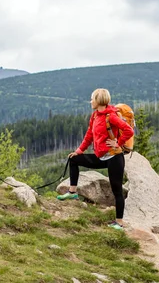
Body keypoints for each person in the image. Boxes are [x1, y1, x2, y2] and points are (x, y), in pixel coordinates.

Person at [56, 88, 134, 231]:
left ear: (99, 100)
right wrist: (79, 151)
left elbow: (129, 130)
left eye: (92, 99)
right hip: (101, 157)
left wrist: (118, 143)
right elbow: (89, 136)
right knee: (74, 160)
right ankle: (72, 193)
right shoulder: (94, 116)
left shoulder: (111, 116)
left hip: (114, 157)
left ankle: (119, 223)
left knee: (116, 190)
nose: (90, 101)